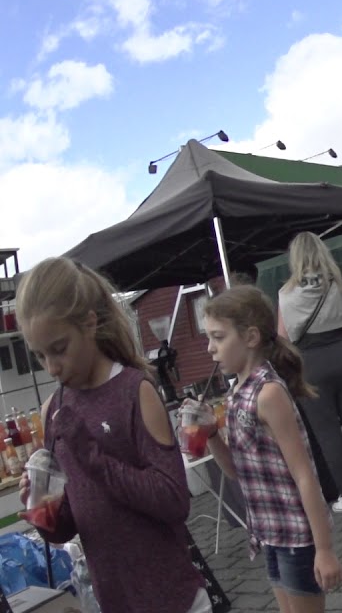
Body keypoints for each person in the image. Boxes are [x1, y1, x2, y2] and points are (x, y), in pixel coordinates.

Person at [14, 257, 211, 613]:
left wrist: (91, 454)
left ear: (89, 324)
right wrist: (44, 510)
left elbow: (173, 501)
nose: (52, 367)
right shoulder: (53, 411)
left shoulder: (134, 390)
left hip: (174, 600)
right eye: (39, 356)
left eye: (59, 349)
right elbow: (70, 525)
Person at [202, 286, 342, 611]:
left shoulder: (268, 394)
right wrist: (210, 434)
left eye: (218, 337)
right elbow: (238, 472)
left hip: (297, 537)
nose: (210, 348)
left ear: (250, 337)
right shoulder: (237, 393)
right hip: (270, 535)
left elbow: (305, 474)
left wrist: (324, 549)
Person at [279, 232, 342, 515]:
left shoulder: (286, 293)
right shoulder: (336, 283)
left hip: (310, 362)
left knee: (327, 433)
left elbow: (283, 336)